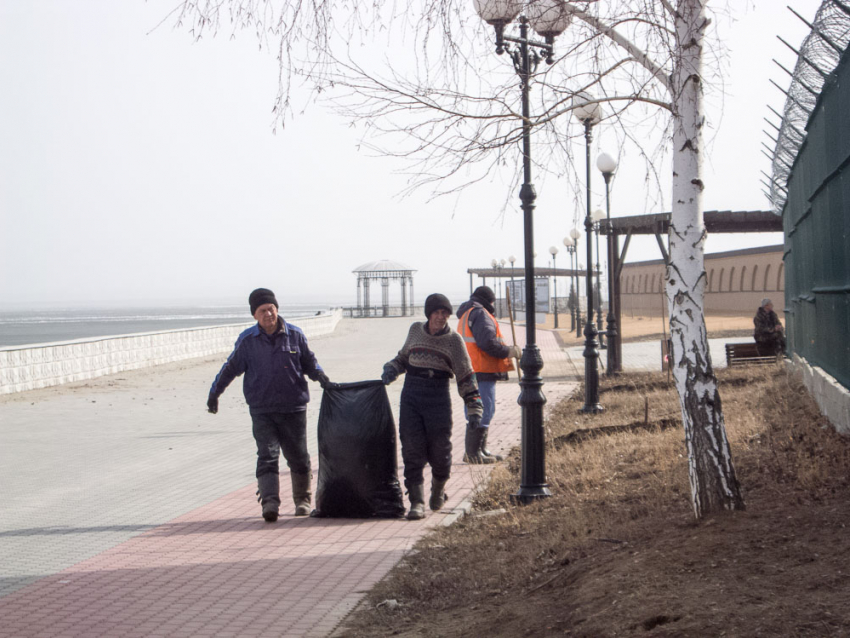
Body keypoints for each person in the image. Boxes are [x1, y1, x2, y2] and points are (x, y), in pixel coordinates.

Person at [206, 288, 331, 523]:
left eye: (271, 309)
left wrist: (321, 376)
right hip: (262, 410)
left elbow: (309, 363)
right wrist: (215, 393)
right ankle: (270, 503)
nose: (268, 314)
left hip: (293, 408)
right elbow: (230, 369)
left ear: (277, 309)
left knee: (299, 456)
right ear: (255, 315)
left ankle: (302, 501)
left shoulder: (295, 335)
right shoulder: (247, 341)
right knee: (267, 455)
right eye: (262, 311)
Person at [381, 293, 483, 520]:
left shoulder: (454, 341)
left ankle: (438, 490)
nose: (441, 317)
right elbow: (403, 358)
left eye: (445, 313)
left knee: (440, 451)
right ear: (429, 314)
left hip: (438, 398)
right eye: (437, 312)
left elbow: (466, 375)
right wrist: (391, 368)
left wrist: (474, 407)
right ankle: (416, 502)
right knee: (412, 449)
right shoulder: (415, 330)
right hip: (412, 397)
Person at [456, 286, 522, 464]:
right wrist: (508, 352)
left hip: (471, 369)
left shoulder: (467, 312)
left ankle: (479, 449)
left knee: (478, 409)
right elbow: (487, 343)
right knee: (484, 409)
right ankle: (473, 453)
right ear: (490, 301)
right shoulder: (481, 314)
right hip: (481, 369)